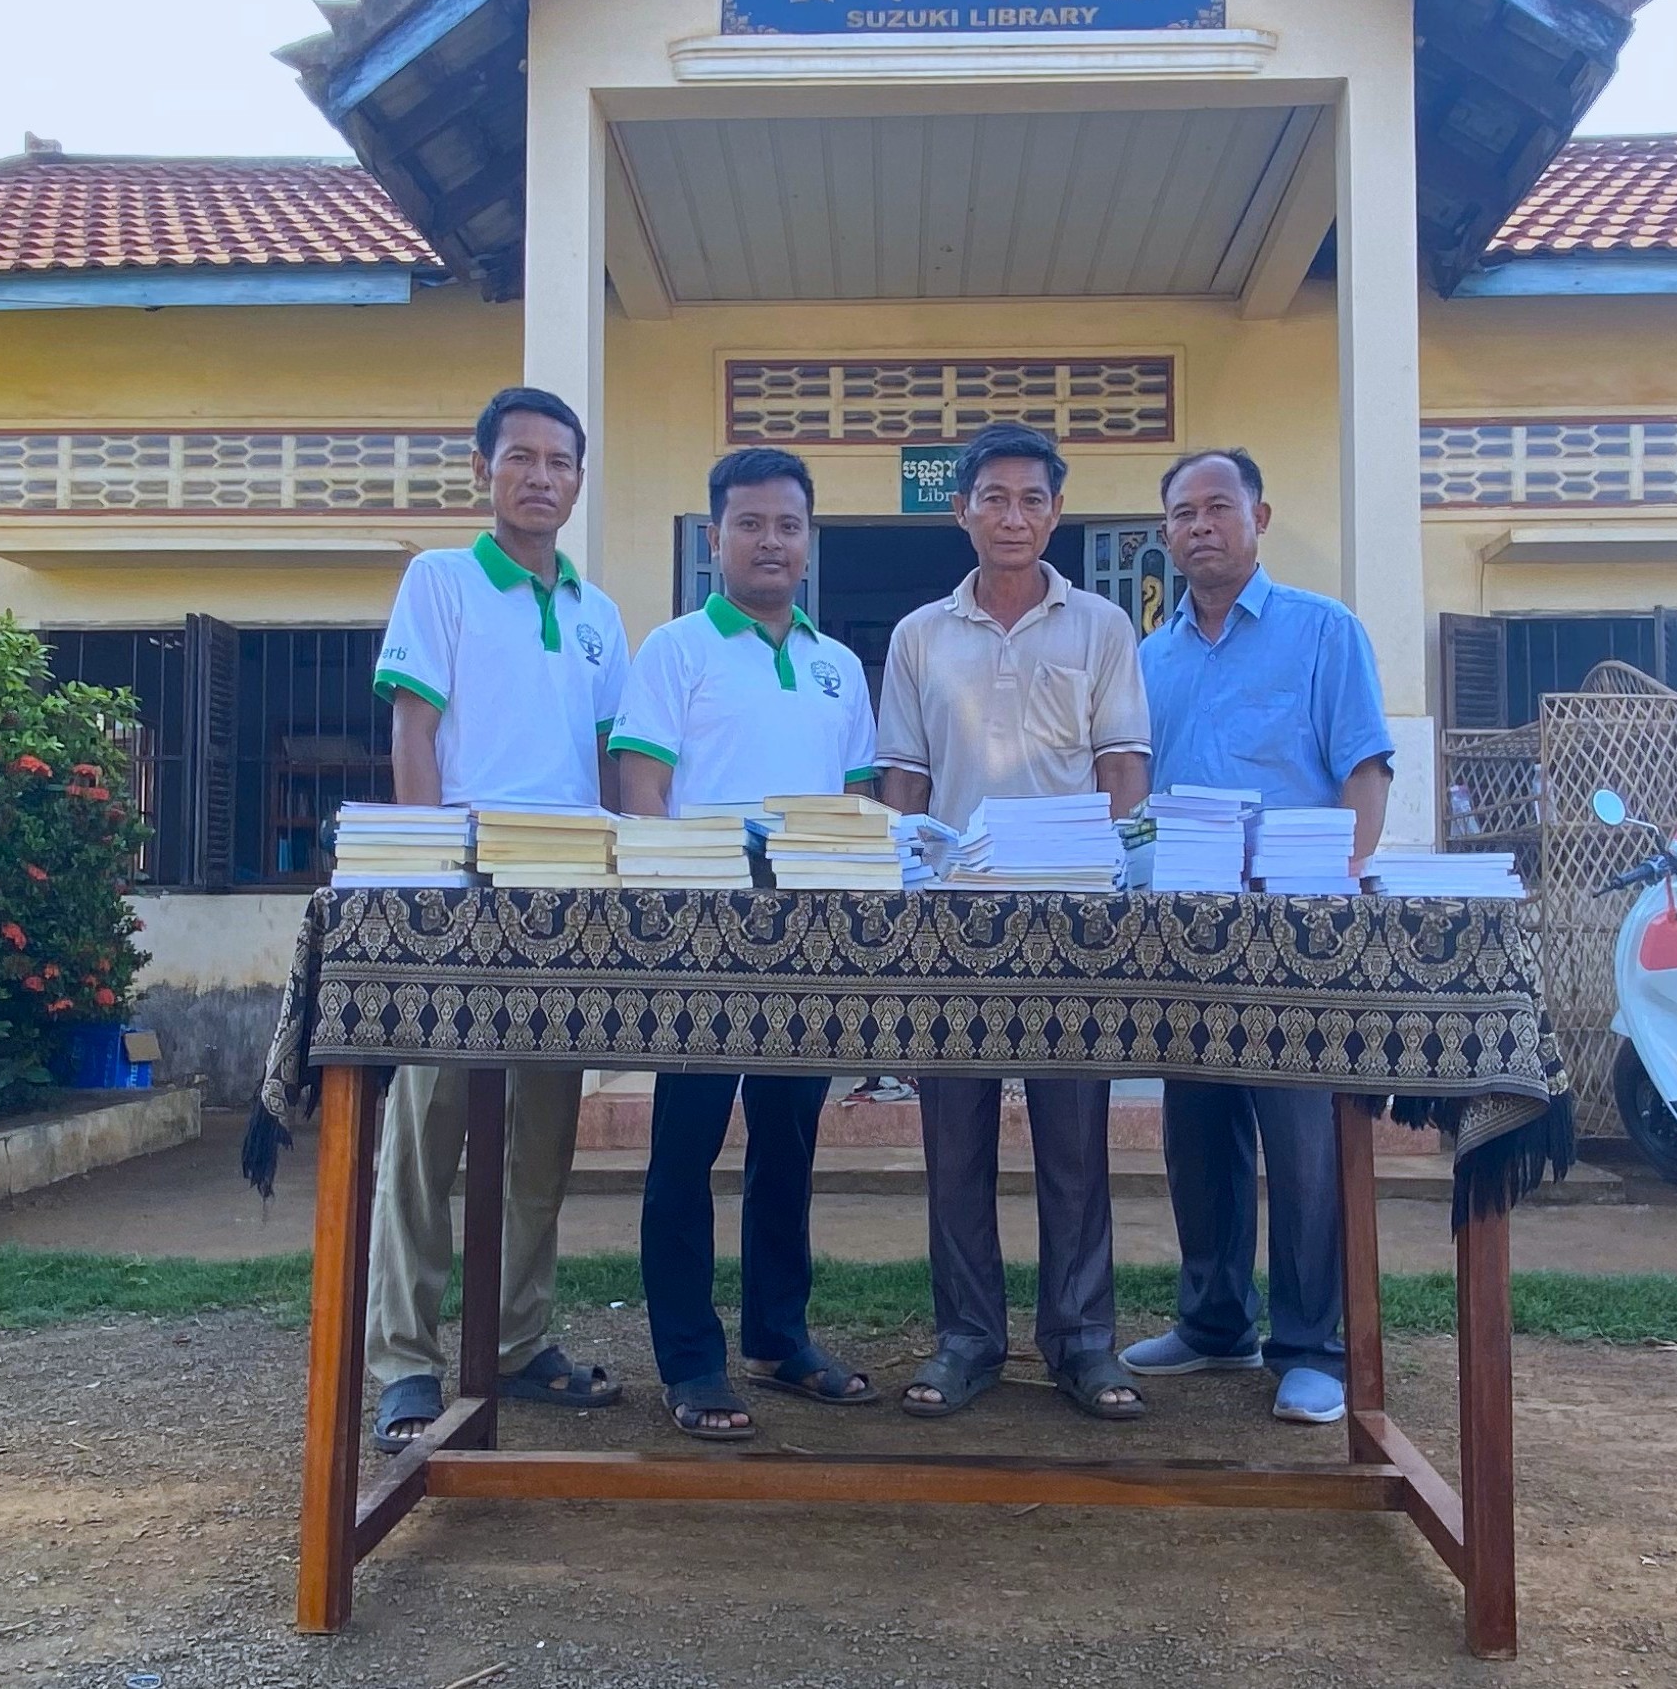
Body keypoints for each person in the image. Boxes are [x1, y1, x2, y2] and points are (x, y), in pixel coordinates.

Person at [365, 386, 630, 1451]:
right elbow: (414, 729)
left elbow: (607, 762)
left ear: (578, 478)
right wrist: (431, 880)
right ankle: (404, 1360)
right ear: (483, 469)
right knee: (426, 1134)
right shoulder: (440, 579)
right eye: (519, 457)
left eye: (559, 461)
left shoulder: (601, 614)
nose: (540, 477)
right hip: (462, 892)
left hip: (567, 903)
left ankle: (516, 1338)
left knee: (540, 1139)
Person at [877, 423, 1152, 1422]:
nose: (1011, 516)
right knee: (954, 1141)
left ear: (1056, 511)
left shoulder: (1101, 627)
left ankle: (1082, 1340)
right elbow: (903, 779)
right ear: (960, 510)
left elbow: (1123, 766)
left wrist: (1108, 887)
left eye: (1031, 498)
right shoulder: (918, 634)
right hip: (953, 921)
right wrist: (908, 902)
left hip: (1071, 919)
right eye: (992, 497)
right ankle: (967, 1338)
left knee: (1074, 1141)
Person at [611, 448, 881, 1440]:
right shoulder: (674, 650)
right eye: (751, 523)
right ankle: (691, 1360)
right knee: (685, 1147)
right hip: (701, 935)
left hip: (806, 937)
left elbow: (857, 804)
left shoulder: (837, 665)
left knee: (787, 1141)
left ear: (809, 541)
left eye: (789, 525)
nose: (772, 541)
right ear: (715, 537)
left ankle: (778, 1334)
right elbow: (641, 790)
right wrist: (668, 910)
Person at [1119, 448, 1394, 1425]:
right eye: (1182, 513)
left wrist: (1340, 884)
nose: (1200, 526)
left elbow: (1365, 769)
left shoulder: (1323, 631)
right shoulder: (1148, 659)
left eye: (1218, 507)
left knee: (1303, 1143)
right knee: (1196, 1135)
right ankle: (1213, 1321)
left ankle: (1312, 1344)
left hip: (1296, 930)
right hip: (1187, 932)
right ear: (1165, 533)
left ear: (1258, 516)